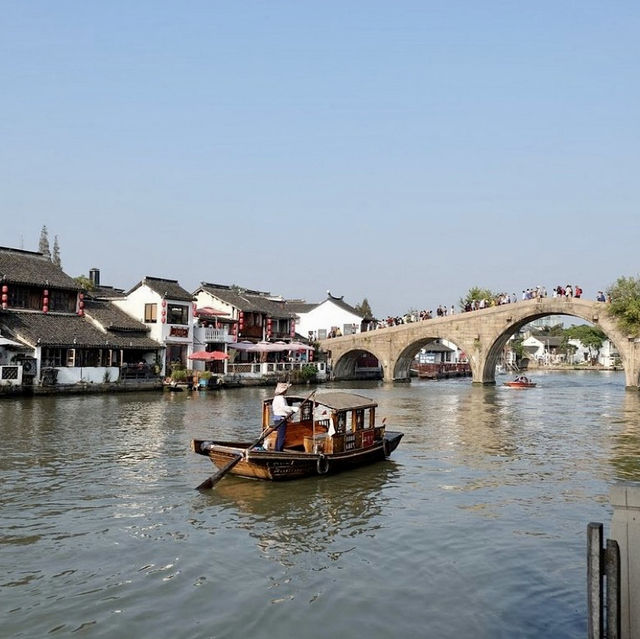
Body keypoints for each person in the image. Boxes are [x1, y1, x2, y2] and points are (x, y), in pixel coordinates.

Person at [271, 382, 297, 451]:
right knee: (281, 436)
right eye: (286, 390)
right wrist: (292, 408)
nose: (286, 391)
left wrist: (290, 412)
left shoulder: (276, 398)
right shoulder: (280, 398)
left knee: (279, 436)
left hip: (277, 419)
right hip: (281, 419)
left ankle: (277, 450)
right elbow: (283, 407)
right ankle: (279, 451)